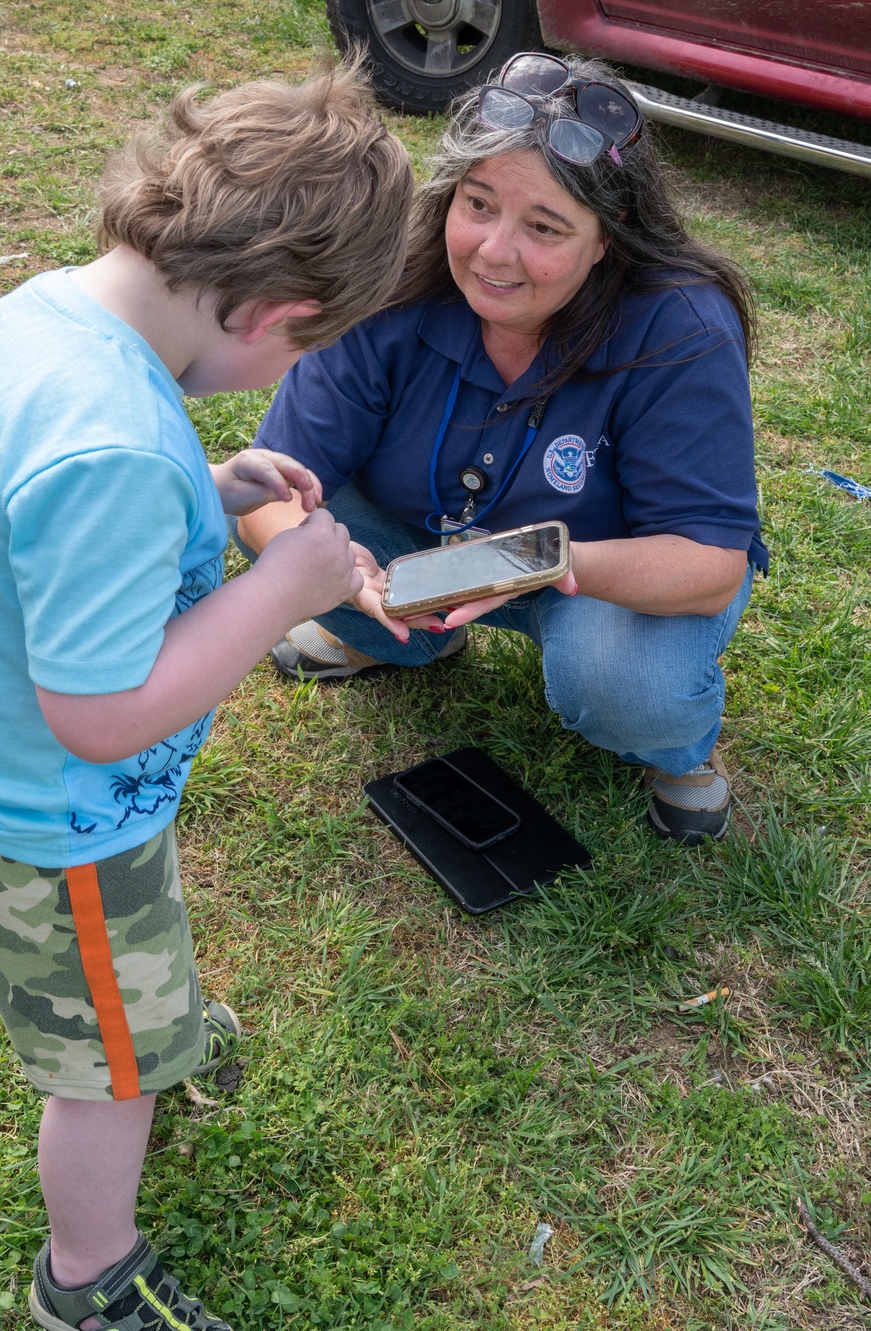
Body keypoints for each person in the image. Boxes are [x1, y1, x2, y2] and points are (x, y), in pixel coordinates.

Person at [0, 63, 412, 1331]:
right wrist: (283, 585)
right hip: (50, 811)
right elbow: (104, 713)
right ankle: (88, 1277)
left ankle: (140, 1015)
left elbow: (48, 505)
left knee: (123, 983)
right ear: (272, 314)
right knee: (105, 1075)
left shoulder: (50, 319)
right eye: (307, 345)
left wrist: (209, 484)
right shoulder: (110, 443)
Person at [236, 52, 768, 846]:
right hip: (423, 543)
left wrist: (548, 562)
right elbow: (269, 490)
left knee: (630, 688)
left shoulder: (679, 329)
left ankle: (674, 751)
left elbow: (708, 563)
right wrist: (346, 579)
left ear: (606, 243)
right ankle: (392, 635)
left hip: (606, 576)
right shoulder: (394, 281)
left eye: (545, 227)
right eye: (477, 203)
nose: (491, 250)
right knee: (300, 540)